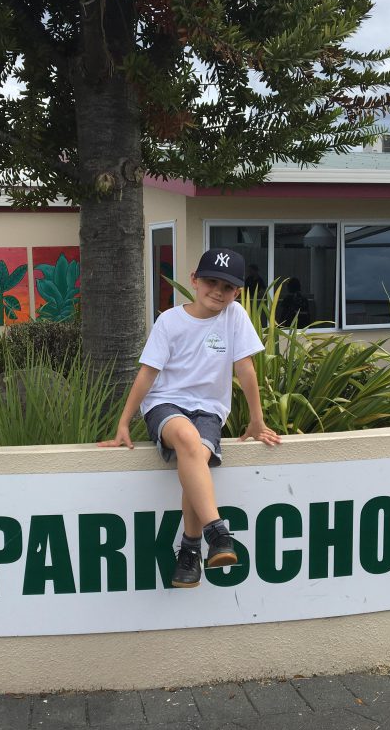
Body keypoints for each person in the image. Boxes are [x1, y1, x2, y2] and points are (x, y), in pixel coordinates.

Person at [99, 248, 281, 588]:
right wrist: (124, 422)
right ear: (194, 280)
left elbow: (245, 368)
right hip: (165, 404)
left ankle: (190, 550)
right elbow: (147, 373)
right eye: (211, 282)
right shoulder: (170, 321)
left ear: (237, 292)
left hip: (209, 409)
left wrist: (256, 420)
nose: (218, 291)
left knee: (194, 455)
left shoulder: (234, 316)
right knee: (186, 438)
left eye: (227, 287)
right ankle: (218, 532)